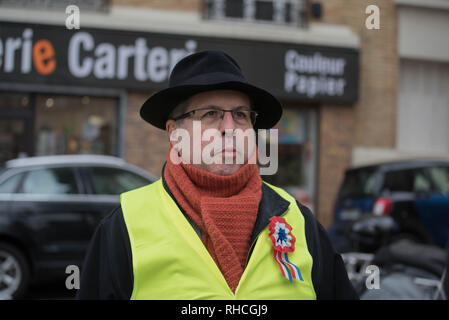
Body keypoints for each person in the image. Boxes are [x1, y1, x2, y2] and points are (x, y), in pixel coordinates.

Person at [76, 50, 358, 300]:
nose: (229, 127)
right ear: (175, 134)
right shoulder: (124, 225)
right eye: (210, 113)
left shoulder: (298, 219)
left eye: (240, 115)